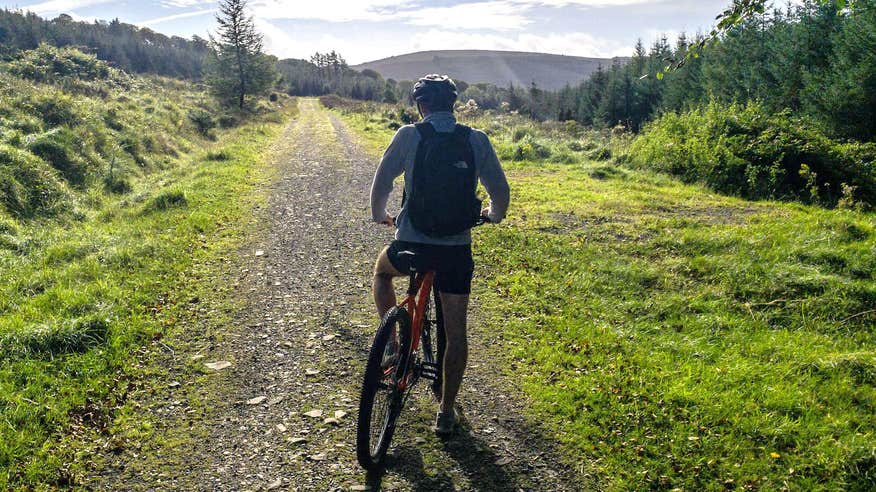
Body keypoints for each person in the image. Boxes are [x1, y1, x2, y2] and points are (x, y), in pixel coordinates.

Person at [369, 74, 510, 436]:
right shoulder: (476, 139)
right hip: (455, 252)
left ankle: (396, 346)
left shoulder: (409, 135)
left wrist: (380, 215)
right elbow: (500, 193)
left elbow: (383, 180)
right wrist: (491, 216)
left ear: (422, 106)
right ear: (453, 105)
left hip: (412, 244)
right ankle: (446, 412)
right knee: (457, 332)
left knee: (383, 273)